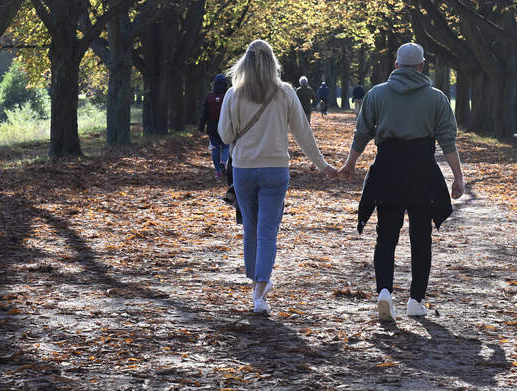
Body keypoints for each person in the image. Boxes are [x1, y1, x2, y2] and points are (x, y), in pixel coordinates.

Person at [338, 42, 464, 321]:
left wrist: (350, 164)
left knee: (386, 236)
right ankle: (415, 300)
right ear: (422, 67)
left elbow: (361, 134)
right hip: (421, 173)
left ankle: (384, 292)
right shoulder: (437, 98)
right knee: (421, 238)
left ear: (395, 66)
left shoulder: (376, 95)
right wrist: (458, 178)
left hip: (388, 171)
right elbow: (447, 140)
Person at [219, 40, 337, 314]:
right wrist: (322, 165)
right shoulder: (285, 93)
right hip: (275, 170)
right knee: (268, 230)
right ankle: (260, 291)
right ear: (273, 63)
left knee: (251, 226)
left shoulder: (233, 95)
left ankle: (256, 284)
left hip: (244, 169)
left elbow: (225, 135)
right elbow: (303, 134)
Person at [198, 74, 230, 178]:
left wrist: (201, 127)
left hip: (212, 126)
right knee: (226, 146)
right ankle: (224, 162)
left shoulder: (209, 97)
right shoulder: (228, 96)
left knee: (215, 147)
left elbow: (204, 113)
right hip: (225, 124)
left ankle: (217, 171)